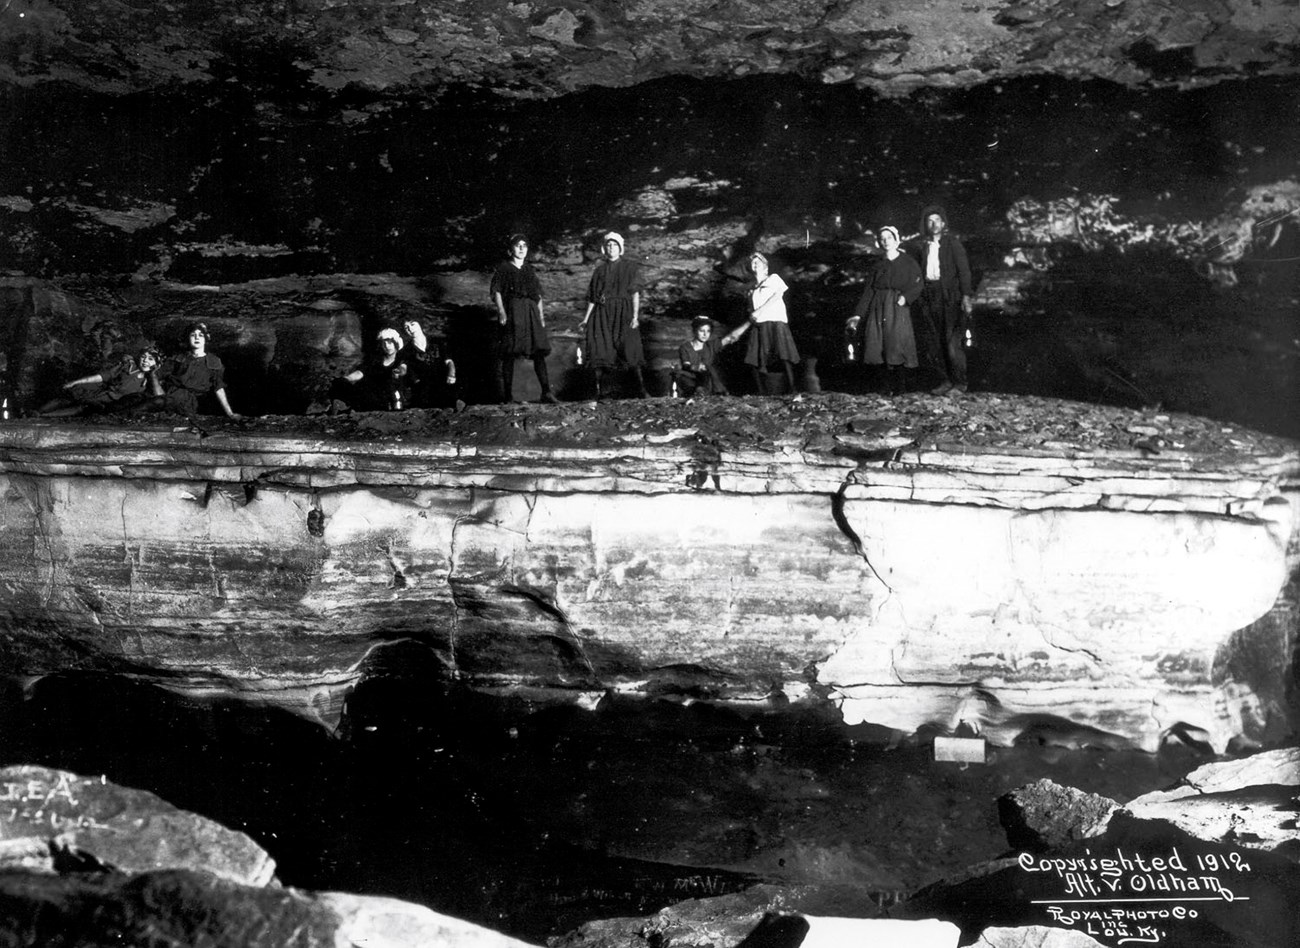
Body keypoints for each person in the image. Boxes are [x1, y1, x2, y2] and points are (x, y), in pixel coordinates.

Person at [845, 225, 923, 396]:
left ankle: (901, 388)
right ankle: (885, 388)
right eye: (883, 239)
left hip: (897, 306)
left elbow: (918, 283)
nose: (886, 241)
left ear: (897, 240)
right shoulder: (877, 265)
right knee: (878, 343)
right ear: (879, 242)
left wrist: (907, 297)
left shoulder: (908, 262)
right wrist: (858, 315)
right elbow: (869, 291)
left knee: (896, 343)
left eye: (889, 238)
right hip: (878, 306)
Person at [910, 205, 974, 395]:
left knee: (952, 341)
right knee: (933, 342)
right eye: (930, 221)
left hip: (950, 297)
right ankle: (945, 381)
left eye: (937, 220)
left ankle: (960, 383)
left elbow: (964, 271)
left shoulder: (953, 244)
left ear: (943, 223)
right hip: (930, 296)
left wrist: (966, 297)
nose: (934, 224)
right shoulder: (923, 247)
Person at [578, 231, 647, 400]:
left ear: (620, 248)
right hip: (602, 313)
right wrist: (586, 319)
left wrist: (635, 316)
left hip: (623, 311)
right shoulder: (599, 271)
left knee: (630, 349)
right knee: (601, 350)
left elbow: (635, 293)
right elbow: (593, 298)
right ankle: (601, 392)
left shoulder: (630, 267)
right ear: (604, 248)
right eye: (608, 245)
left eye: (614, 244)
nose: (611, 247)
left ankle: (641, 391)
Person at [490, 234, 558, 404]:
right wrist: (502, 312)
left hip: (531, 311)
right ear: (510, 249)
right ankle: (508, 397)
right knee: (509, 351)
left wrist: (541, 317)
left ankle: (546, 392)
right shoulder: (503, 268)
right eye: (517, 245)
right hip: (513, 310)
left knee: (538, 351)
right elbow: (497, 291)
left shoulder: (529, 270)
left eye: (524, 245)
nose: (521, 248)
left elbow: (538, 296)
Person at [723, 252, 800, 395]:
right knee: (755, 357)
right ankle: (761, 392)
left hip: (776, 321)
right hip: (759, 324)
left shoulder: (773, 279)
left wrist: (759, 311)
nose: (755, 264)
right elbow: (751, 311)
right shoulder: (752, 289)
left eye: (758, 262)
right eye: (753, 263)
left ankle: (793, 390)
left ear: (765, 267)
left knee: (783, 355)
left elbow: (777, 296)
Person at [38, 347, 161, 417]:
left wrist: (152, 374)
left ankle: (43, 416)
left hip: (112, 404)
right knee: (69, 396)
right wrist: (76, 382)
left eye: (150, 359)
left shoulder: (151, 380)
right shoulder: (128, 366)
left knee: (82, 408)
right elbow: (103, 376)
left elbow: (159, 397)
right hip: (101, 390)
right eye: (143, 357)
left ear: (156, 363)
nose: (145, 361)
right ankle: (37, 412)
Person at [154, 322, 241, 418]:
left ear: (205, 339)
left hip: (197, 403)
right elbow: (156, 375)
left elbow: (219, 388)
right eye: (193, 335)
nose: (197, 338)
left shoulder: (214, 361)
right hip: (173, 398)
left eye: (200, 335)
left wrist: (230, 413)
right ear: (187, 339)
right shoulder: (178, 358)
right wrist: (160, 394)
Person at [329, 327, 411, 412]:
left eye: (390, 342)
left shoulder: (402, 359)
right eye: (384, 343)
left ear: (396, 343)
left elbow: (403, 368)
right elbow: (360, 372)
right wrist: (346, 379)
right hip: (374, 396)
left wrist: (399, 371)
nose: (387, 346)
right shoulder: (375, 360)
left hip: (393, 397)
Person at [401, 318, 463, 410]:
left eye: (413, 324)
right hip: (423, 383)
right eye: (406, 327)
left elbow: (449, 361)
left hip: (443, 379)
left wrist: (451, 374)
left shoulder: (437, 342)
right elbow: (405, 367)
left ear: (420, 325)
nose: (410, 329)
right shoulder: (406, 350)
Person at [676, 317, 732, 397]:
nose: (705, 334)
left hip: (708, 378)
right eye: (702, 331)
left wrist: (749, 321)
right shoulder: (685, 347)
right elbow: (686, 365)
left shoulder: (711, 345)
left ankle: (711, 391)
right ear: (694, 331)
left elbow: (731, 337)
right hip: (691, 378)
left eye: (708, 331)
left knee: (709, 370)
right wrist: (695, 367)